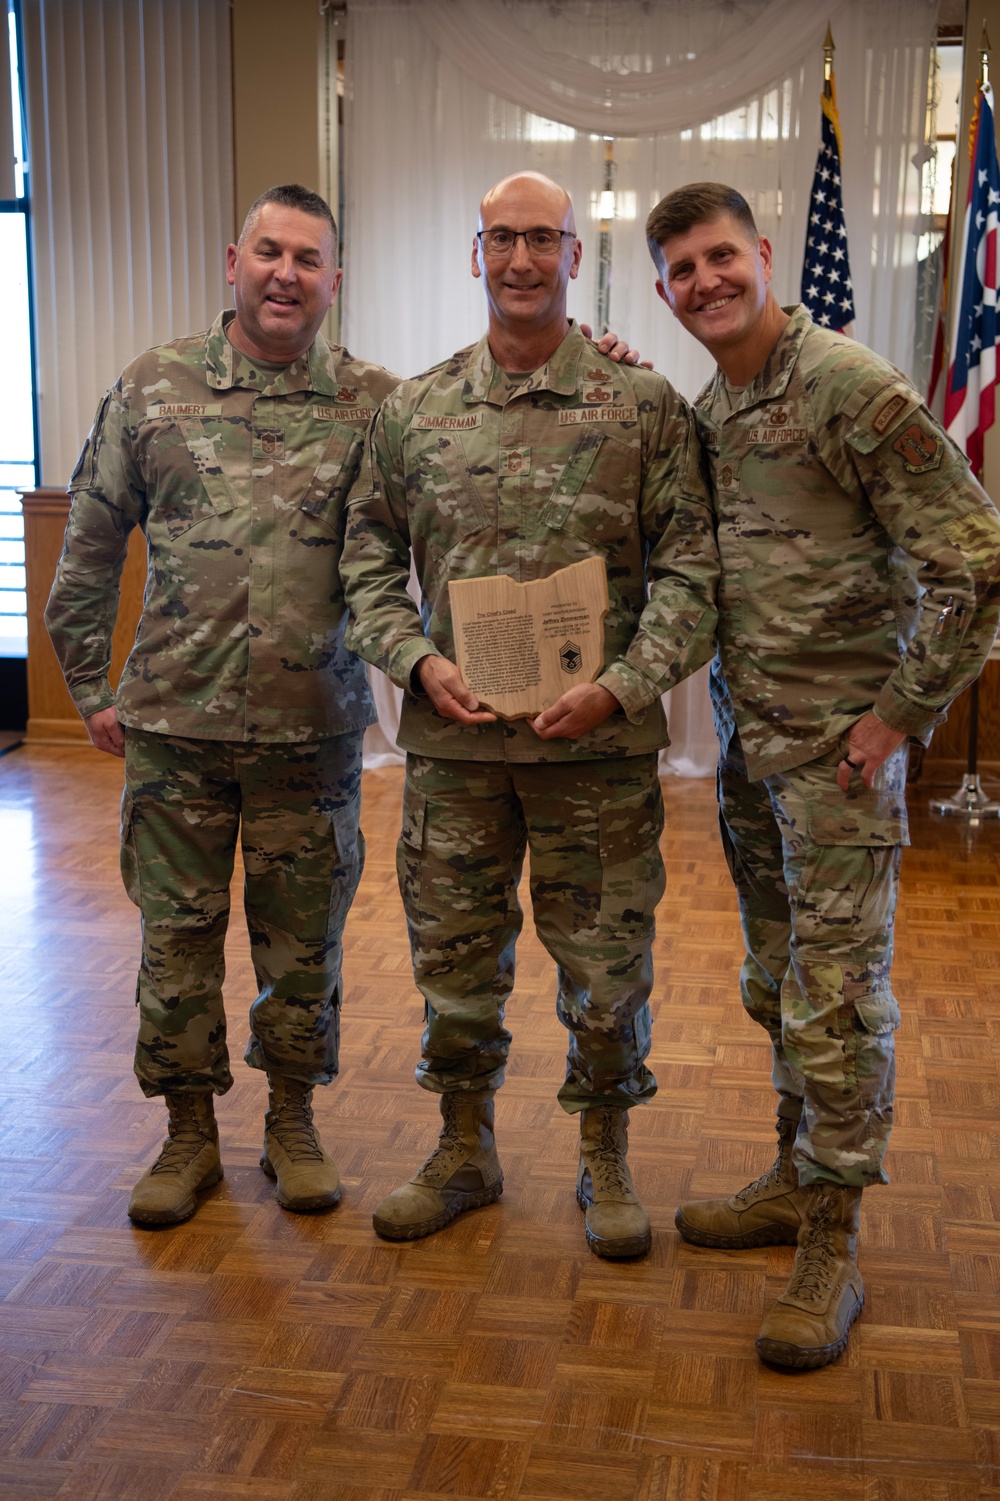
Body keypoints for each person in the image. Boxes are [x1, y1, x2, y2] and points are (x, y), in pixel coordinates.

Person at [646, 181, 1000, 1366]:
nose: (705, 282)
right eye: (682, 270)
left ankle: (832, 1245)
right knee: (776, 982)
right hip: (757, 753)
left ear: (762, 255)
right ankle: (797, 1178)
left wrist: (899, 717)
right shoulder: (716, 405)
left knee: (838, 1002)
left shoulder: (844, 384)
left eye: (719, 257)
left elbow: (976, 560)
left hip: (842, 768)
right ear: (664, 291)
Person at [340, 171, 719, 1259]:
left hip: (595, 754)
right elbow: (363, 559)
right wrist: (412, 661)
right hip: (454, 749)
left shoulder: (642, 408)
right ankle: (464, 1146)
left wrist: (625, 683)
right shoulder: (411, 412)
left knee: (605, 968)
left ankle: (604, 1154)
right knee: (454, 960)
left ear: (572, 259)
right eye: (499, 237)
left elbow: (694, 574)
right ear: (476, 254)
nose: (517, 257)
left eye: (539, 239)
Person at [45, 184, 403, 1226]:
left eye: (307, 259)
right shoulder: (153, 389)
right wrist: (87, 686)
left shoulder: (375, 403)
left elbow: (466, 487)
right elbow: (92, 540)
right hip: (176, 731)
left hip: (313, 733)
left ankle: (292, 1123)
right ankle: (188, 1134)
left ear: (333, 281)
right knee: (177, 938)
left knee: (305, 947)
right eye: (268, 252)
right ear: (231, 260)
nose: (285, 273)